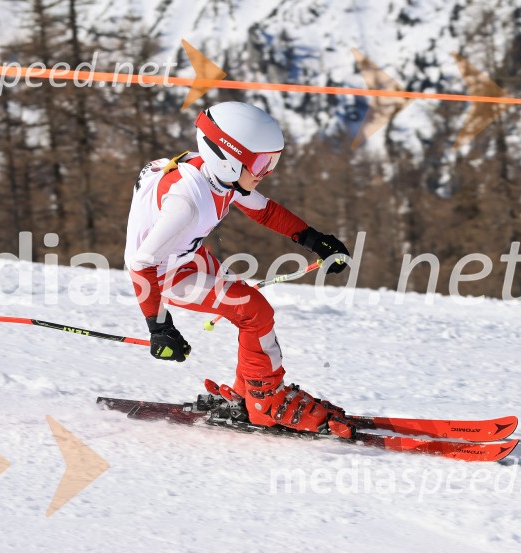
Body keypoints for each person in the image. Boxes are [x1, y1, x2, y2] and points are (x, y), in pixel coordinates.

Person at [124, 101, 352, 435]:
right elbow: (141, 263)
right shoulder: (186, 203)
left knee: (250, 313)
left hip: (189, 255)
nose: (267, 172)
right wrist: (159, 327)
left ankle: (250, 394)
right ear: (228, 159)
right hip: (163, 276)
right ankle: (267, 402)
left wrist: (316, 240)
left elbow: (266, 211)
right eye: (261, 163)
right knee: (253, 309)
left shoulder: (221, 179)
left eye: (272, 162)